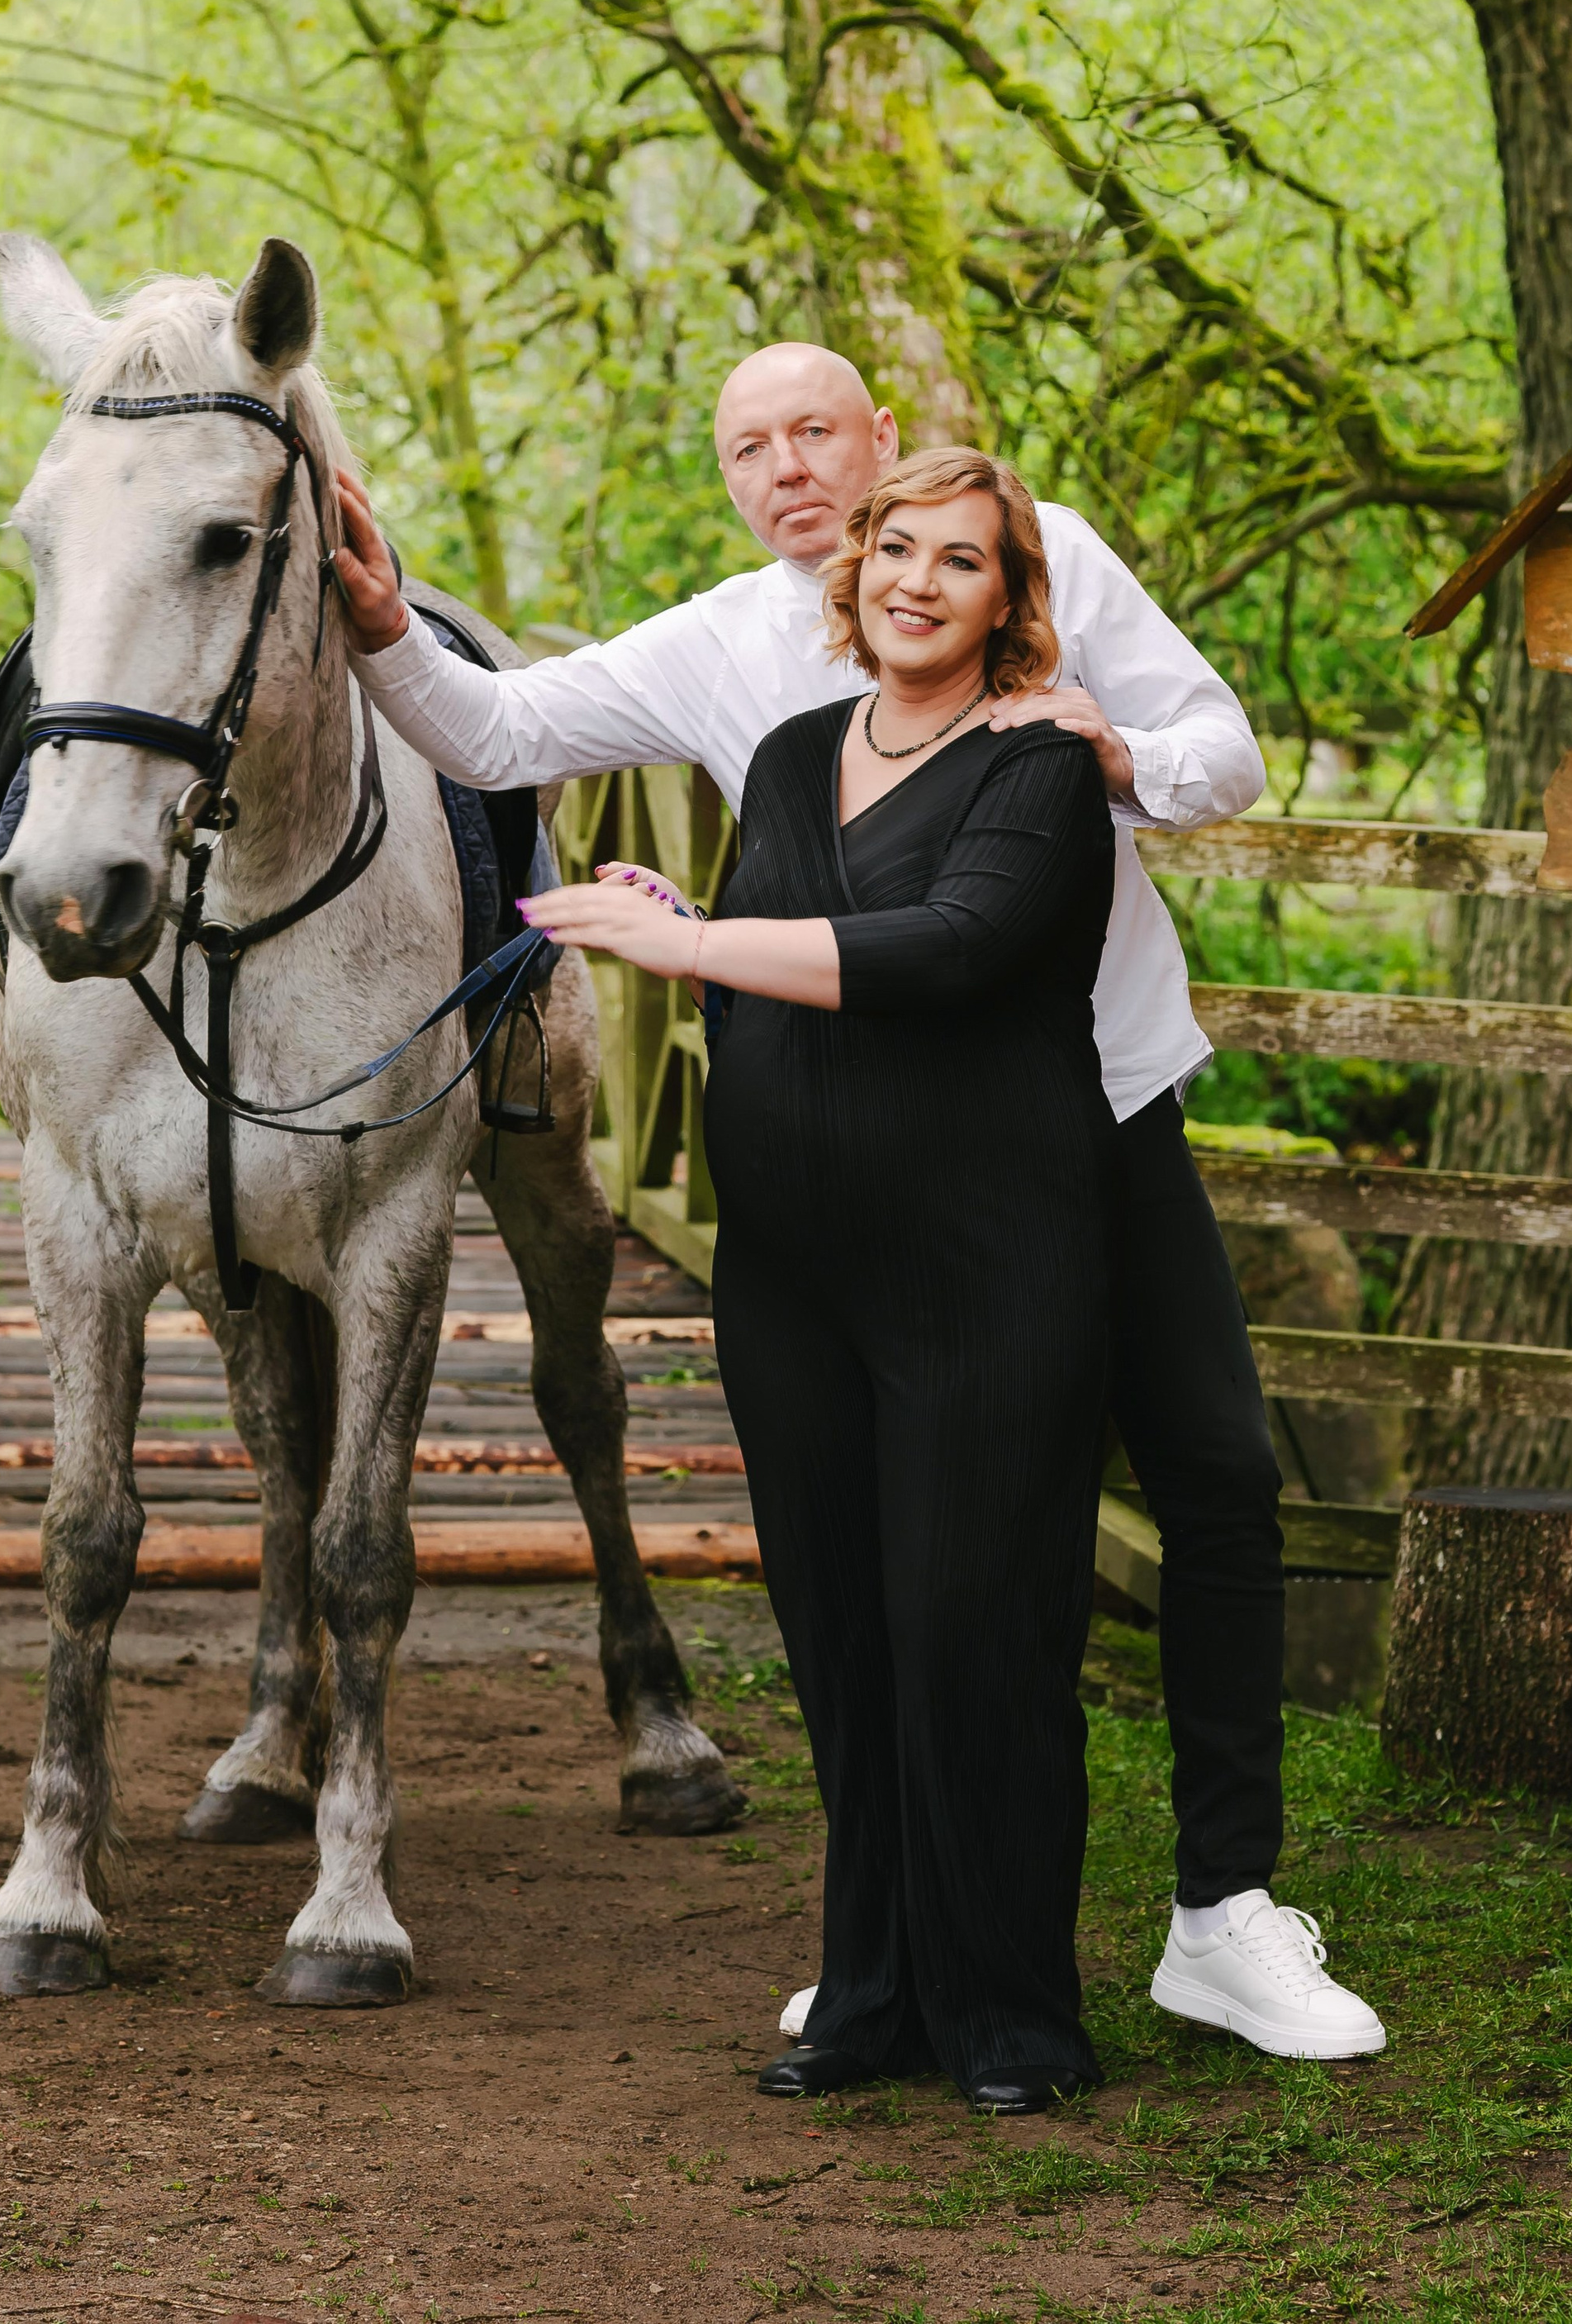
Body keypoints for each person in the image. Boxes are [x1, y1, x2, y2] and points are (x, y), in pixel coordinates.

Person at [328, 344, 1387, 2065]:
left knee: (1205, 1475)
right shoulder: (737, 650)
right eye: (747, 444)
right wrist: (383, 626)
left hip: (1088, 1100)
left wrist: (1100, 752)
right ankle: (896, 1935)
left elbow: (1223, 756)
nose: (786, 466)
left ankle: (1221, 1908)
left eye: (813, 428)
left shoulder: (1033, 567)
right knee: (875, 1559)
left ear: (884, 444)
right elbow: (500, 727)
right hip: (849, 1156)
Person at [523, 449, 1114, 2107]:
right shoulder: (786, 755)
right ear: (849, 574)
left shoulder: (1037, 763)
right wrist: (673, 914)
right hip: (790, 1272)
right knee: (842, 1638)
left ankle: (1007, 2013)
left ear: (1009, 602)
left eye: (959, 561)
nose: (915, 581)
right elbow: (772, 965)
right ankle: (866, 1996)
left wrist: (697, 948)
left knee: (974, 1631)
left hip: (988, 1260)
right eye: (892, 549)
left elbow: (949, 951)